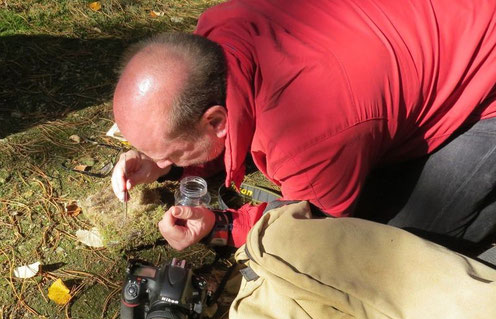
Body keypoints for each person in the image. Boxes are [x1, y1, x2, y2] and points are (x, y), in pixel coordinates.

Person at [111, 0, 496, 252]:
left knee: (390, 242)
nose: (157, 159)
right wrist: (163, 161)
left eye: (165, 152)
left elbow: (307, 226)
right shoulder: (217, 29)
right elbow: (225, 124)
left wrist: (218, 226)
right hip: (440, 26)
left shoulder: (306, 135)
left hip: (486, 77)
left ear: (215, 120)